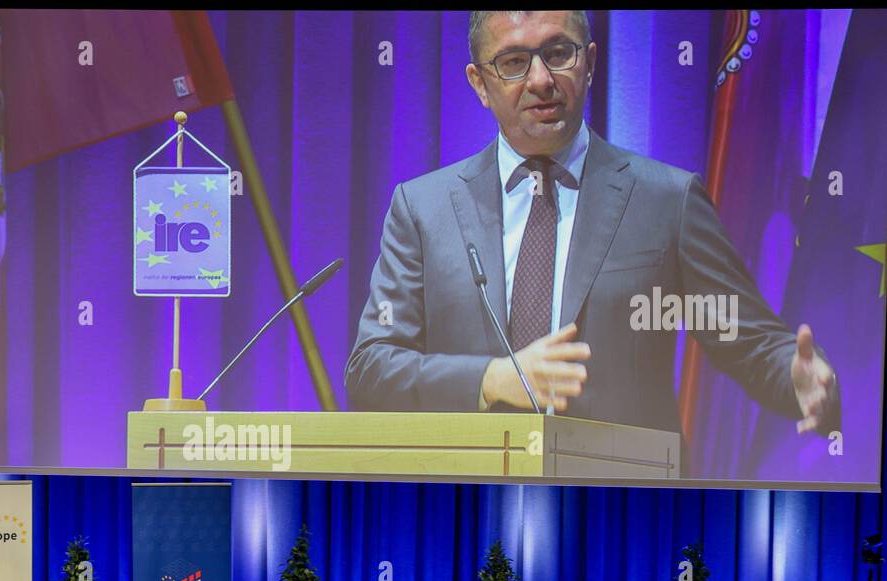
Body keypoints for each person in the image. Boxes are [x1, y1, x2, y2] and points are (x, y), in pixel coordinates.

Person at [346, 9, 839, 443]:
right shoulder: (422, 209)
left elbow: (746, 337)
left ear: (591, 62)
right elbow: (371, 368)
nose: (541, 79)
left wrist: (798, 379)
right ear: (479, 83)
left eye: (559, 53)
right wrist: (492, 379)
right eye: (514, 62)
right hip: (467, 509)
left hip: (624, 507)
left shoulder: (667, 200)